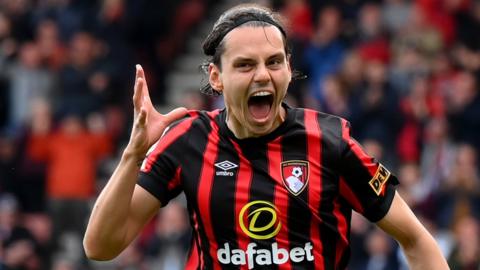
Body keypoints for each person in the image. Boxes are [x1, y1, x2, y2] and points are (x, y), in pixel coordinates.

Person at [83, 4, 449, 269]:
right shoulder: (188, 139)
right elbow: (100, 246)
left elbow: (416, 240)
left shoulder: (330, 141)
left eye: (274, 62)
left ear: (289, 69)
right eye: (245, 65)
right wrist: (133, 153)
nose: (262, 75)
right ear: (216, 77)